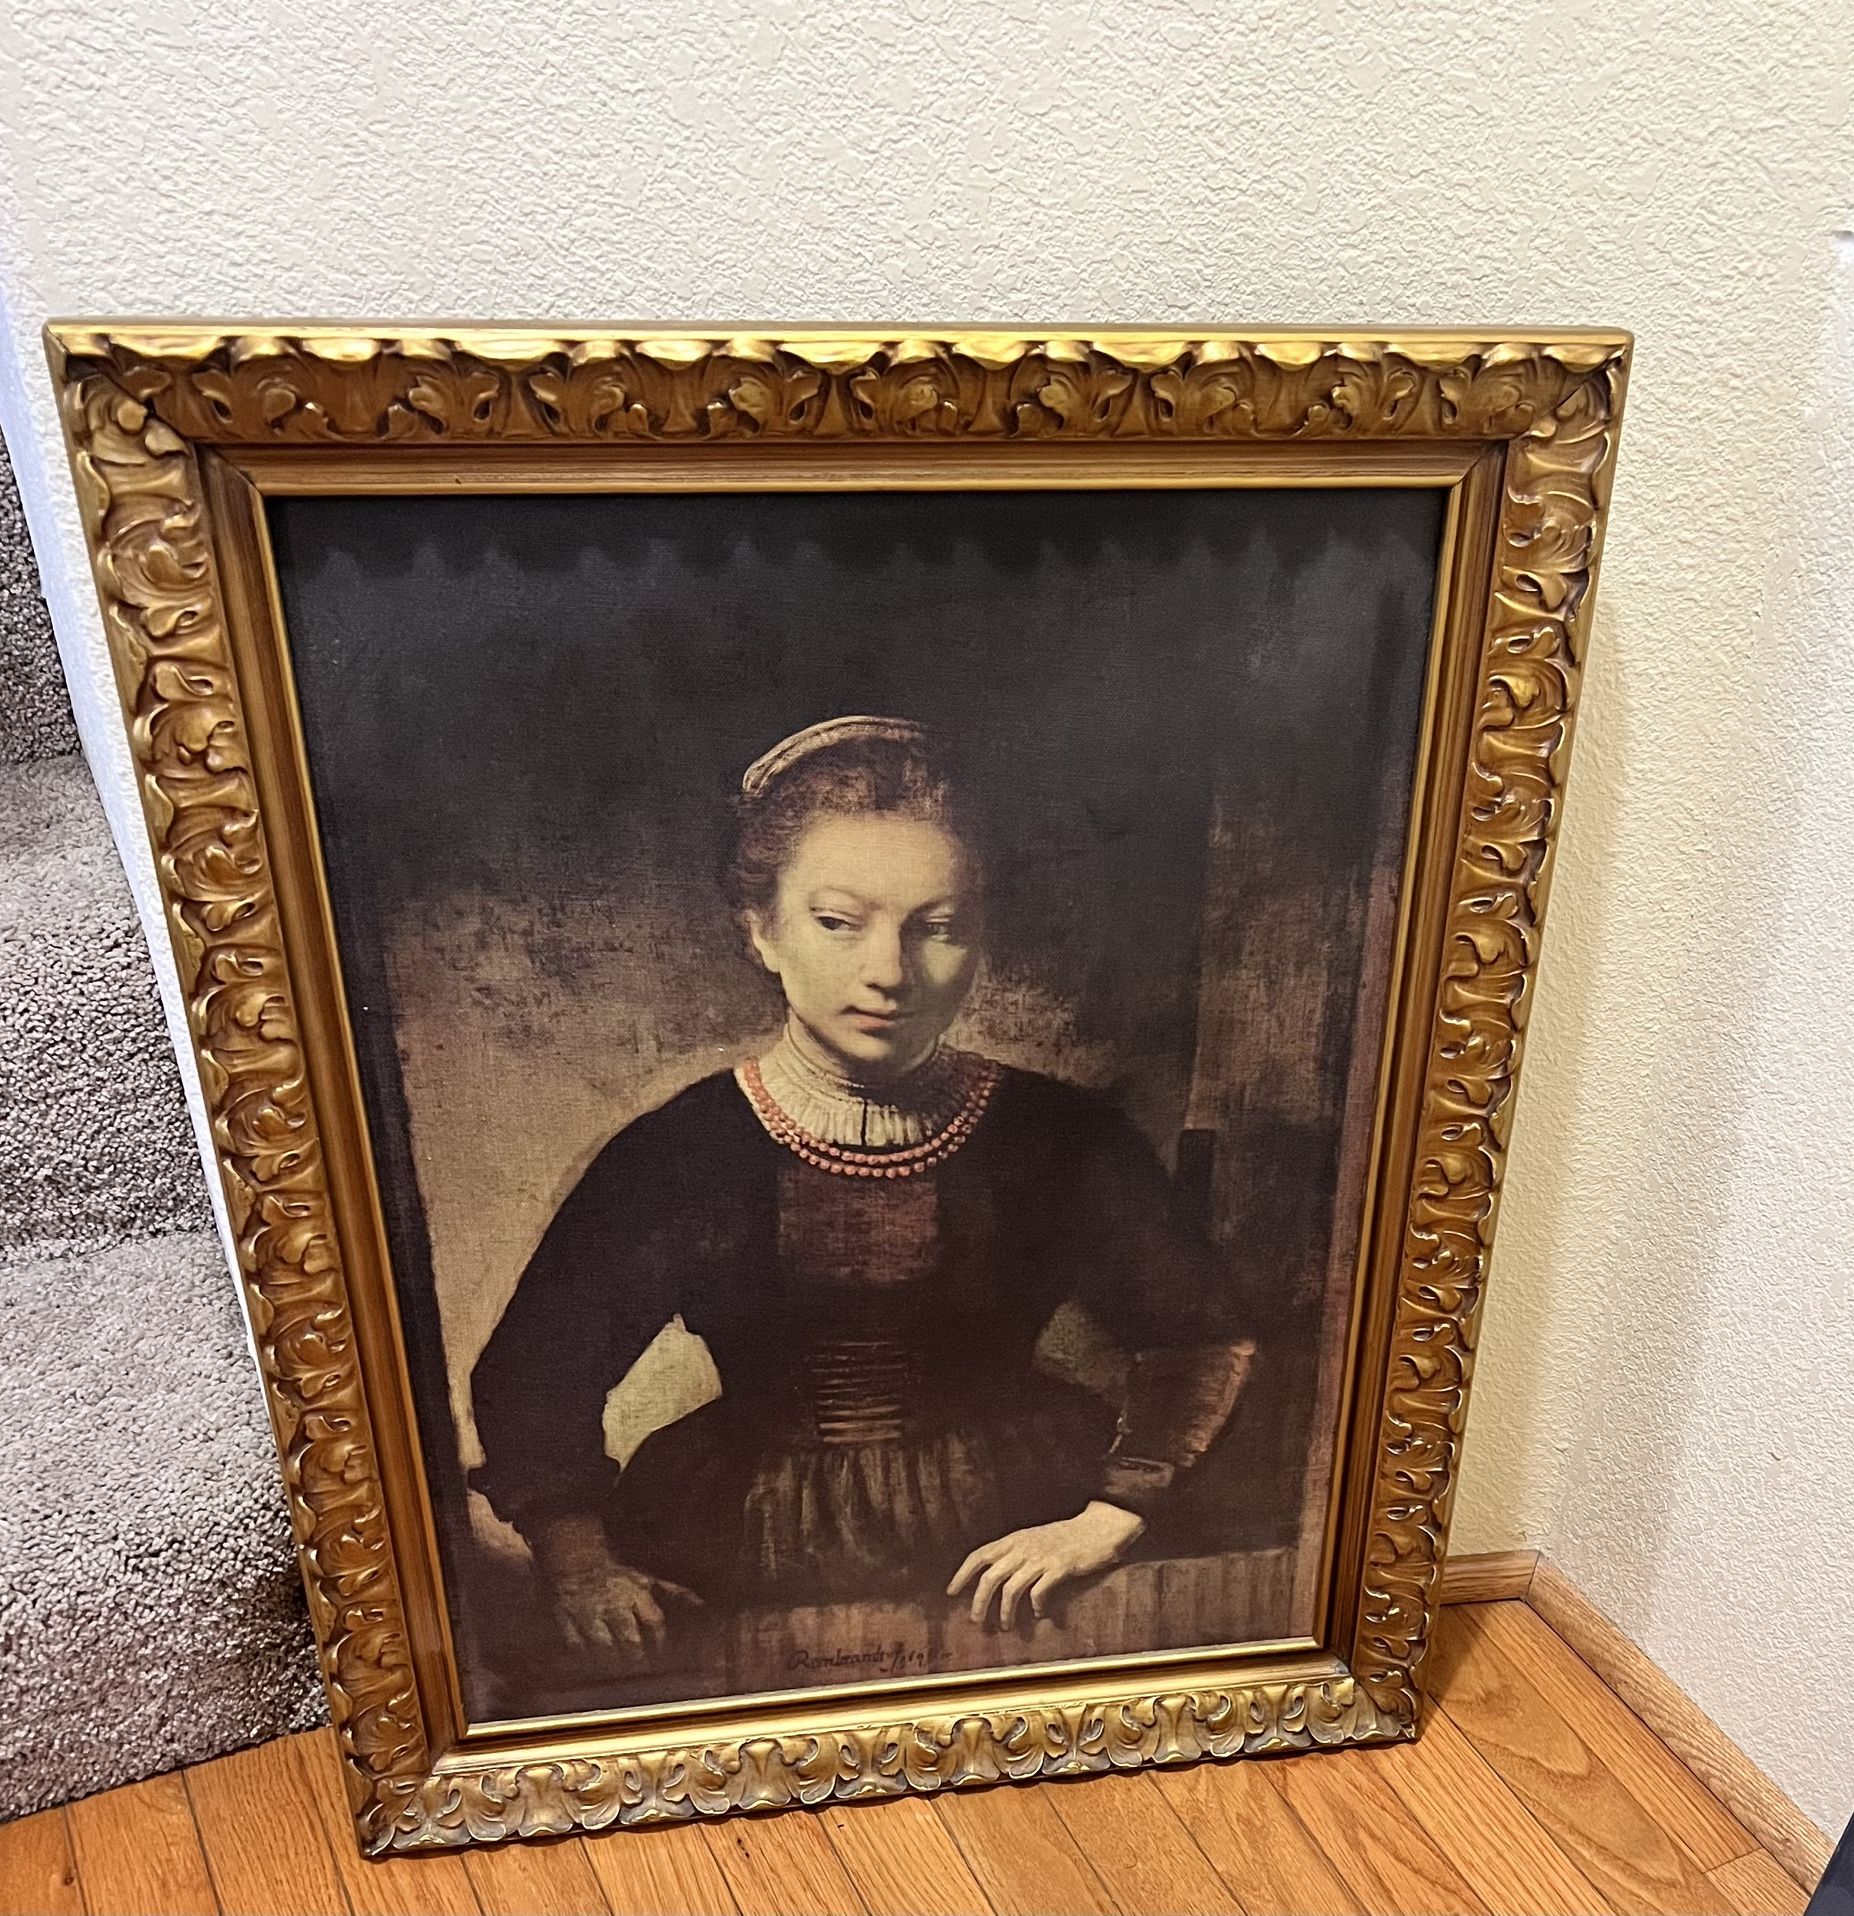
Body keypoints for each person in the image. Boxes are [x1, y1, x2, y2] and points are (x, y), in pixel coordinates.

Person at [470, 715, 1250, 1671]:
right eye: (838, 923)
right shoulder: (678, 1152)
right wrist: (580, 1564)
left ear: (981, 939)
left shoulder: (1063, 1137)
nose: (888, 973)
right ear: (761, 930)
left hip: (1022, 1525)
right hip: (738, 1534)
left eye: (939, 928)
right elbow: (535, 1370)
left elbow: (1201, 1333)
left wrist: (1108, 1518)